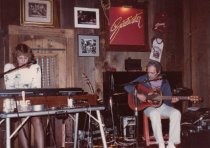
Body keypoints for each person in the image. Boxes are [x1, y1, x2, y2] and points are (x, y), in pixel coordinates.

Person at [124, 60, 181, 148]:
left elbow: (168, 98)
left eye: (152, 73)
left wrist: (172, 100)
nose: (149, 75)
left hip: (162, 106)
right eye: (148, 72)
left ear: (158, 72)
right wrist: (137, 94)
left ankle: (171, 144)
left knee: (176, 113)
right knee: (155, 113)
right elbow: (127, 86)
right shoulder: (143, 79)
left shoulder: (164, 82)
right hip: (148, 107)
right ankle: (161, 143)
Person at [4, 43, 44, 148]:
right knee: (23, 119)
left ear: (29, 58)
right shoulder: (9, 67)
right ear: (16, 58)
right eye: (20, 58)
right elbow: (9, 88)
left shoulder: (35, 67)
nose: (23, 61)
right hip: (17, 101)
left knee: (37, 120)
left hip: (32, 100)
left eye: (25, 58)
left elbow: (36, 87)